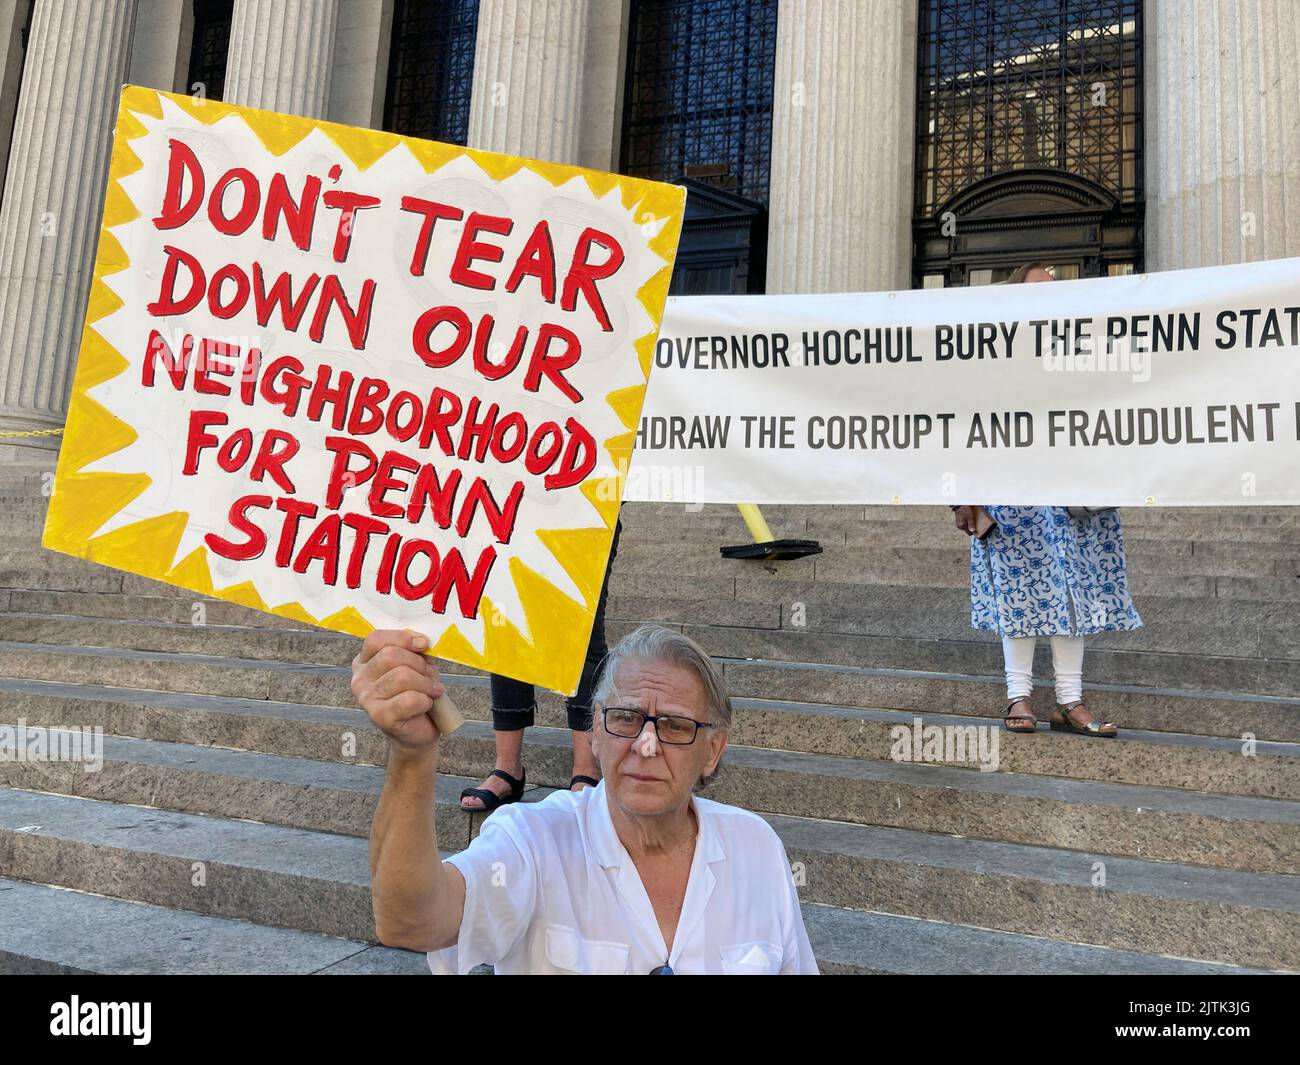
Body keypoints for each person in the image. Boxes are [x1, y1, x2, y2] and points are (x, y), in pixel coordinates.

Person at [354, 623, 819, 974]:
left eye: (676, 726)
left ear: (713, 750)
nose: (646, 745)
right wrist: (412, 755)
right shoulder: (532, 840)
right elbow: (409, 922)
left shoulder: (755, 845)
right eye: (625, 718)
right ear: (594, 731)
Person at [952, 262, 1143, 737]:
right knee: (1019, 599)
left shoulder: (1087, 351)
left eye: (1056, 290)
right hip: (1010, 494)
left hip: (1070, 495)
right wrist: (961, 494)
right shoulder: (989, 357)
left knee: (1070, 594)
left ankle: (1070, 702)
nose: (1048, 297)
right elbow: (963, 420)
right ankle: (1019, 698)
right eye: (1037, 289)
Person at [459, 517, 621, 811]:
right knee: (506, 630)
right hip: (514, 504)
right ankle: (507, 768)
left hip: (585, 504)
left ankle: (586, 769)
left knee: (582, 632)